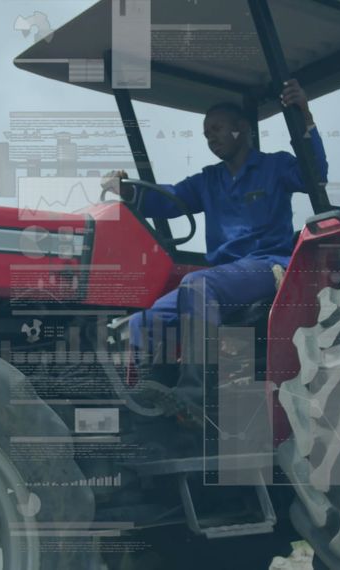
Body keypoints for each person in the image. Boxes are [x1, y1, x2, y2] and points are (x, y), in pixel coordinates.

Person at [103, 79, 327, 424]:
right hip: (225, 273)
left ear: (242, 130)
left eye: (218, 130)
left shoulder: (274, 166)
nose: (211, 139)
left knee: (197, 285)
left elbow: (316, 173)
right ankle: (155, 395)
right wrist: (128, 191)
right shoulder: (208, 180)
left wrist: (304, 116)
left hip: (269, 265)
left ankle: (195, 394)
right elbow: (170, 200)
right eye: (207, 134)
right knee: (144, 321)